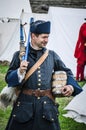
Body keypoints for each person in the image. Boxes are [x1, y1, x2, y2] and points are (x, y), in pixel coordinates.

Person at [5, 20, 82, 130]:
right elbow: (9, 79)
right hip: (24, 107)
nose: (46, 40)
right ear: (33, 36)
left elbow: (68, 73)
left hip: (47, 107)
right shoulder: (19, 55)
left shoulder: (52, 55)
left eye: (47, 37)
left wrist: (70, 86)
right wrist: (19, 71)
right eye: (43, 37)